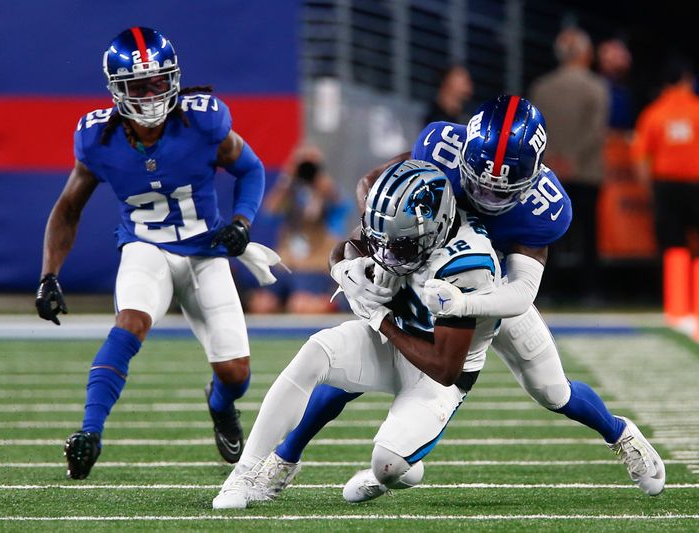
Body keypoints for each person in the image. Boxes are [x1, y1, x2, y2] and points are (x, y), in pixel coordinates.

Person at [262, 95, 665, 498]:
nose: (487, 199)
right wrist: (376, 240)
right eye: (479, 184)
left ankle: (621, 434)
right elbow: (375, 183)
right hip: (423, 269)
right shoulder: (442, 148)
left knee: (552, 391)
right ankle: (287, 456)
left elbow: (520, 293)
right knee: (357, 359)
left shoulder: (545, 206)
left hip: (491, 289)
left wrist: (463, 305)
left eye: (501, 192)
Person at [34, 27, 267, 479]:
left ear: (174, 79)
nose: (151, 94)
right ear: (117, 90)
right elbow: (67, 210)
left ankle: (219, 404)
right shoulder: (98, 139)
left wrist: (241, 221)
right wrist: (49, 275)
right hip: (146, 248)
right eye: (139, 86)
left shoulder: (204, 122)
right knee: (130, 323)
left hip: (205, 252)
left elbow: (250, 168)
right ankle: (89, 432)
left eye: (159, 81)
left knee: (236, 374)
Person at [213, 160, 502, 509]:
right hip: (396, 339)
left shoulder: (468, 265)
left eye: (402, 245)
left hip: (437, 376)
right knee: (315, 352)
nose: (388, 253)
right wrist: (344, 268)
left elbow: (445, 367)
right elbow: (349, 245)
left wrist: (381, 321)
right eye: (385, 241)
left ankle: (394, 470)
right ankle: (243, 474)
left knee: (390, 465)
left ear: (435, 229)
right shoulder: (399, 222)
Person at [529, 27, 609, 303]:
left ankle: (545, 290)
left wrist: (554, 158)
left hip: (549, 171)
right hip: (586, 172)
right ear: (585, 53)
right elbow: (596, 131)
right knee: (588, 235)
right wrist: (573, 159)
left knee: (548, 234)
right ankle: (590, 291)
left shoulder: (542, 87)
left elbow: (534, 128)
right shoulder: (597, 86)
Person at [246, 144, 350, 314]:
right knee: (262, 305)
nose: (306, 171)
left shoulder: (328, 193)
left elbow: (341, 213)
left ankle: (328, 303)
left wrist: (325, 187)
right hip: (286, 265)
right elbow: (268, 213)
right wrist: (287, 178)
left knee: (300, 305)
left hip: (313, 267)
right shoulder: (288, 192)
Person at [630, 53, 699, 254]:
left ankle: (675, 285)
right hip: (696, 186)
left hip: (665, 188)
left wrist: (652, 192)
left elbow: (640, 160)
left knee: (673, 249)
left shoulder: (652, 114)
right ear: (687, 78)